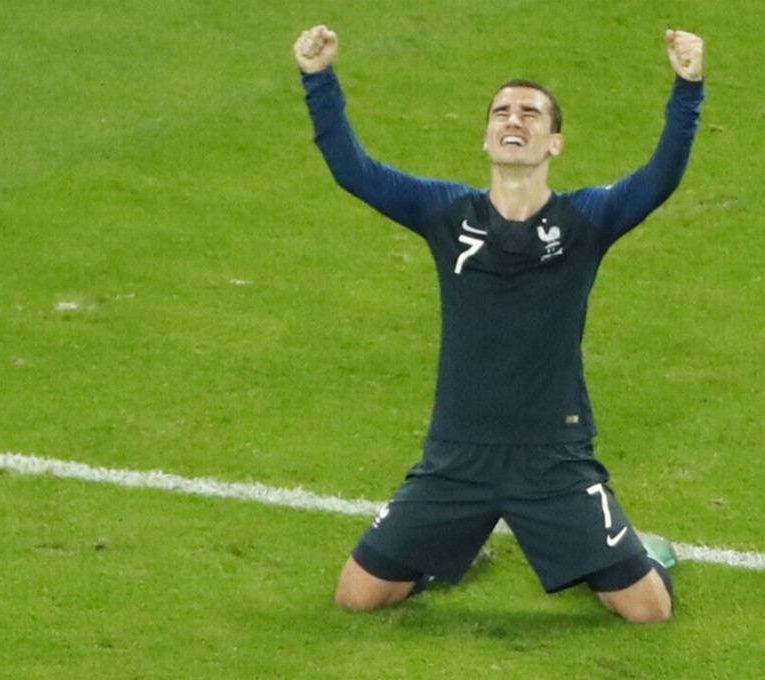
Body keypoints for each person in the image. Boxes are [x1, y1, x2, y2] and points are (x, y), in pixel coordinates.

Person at [293, 24, 704, 623]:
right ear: (487, 137)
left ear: (554, 142)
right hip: (456, 459)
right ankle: (450, 551)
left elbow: (658, 178)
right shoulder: (445, 212)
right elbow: (356, 171)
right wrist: (317, 78)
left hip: (554, 461)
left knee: (648, 611)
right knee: (357, 598)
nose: (515, 120)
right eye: (502, 112)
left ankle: (648, 550)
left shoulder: (586, 219)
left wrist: (688, 86)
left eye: (531, 113)